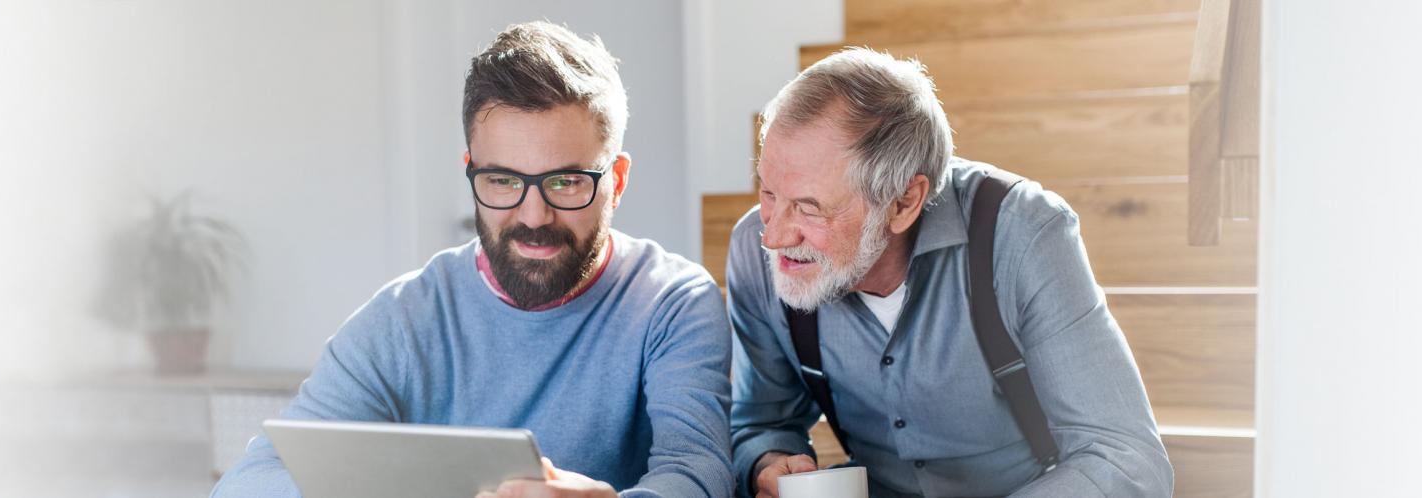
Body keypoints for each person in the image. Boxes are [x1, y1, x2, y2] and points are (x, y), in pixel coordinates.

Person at [212, 21, 734, 498]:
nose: (534, 215)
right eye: (503, 180)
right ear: (471, 172)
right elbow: (249, 483)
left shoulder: (672, 301)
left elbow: (697, 472)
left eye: (566, 181)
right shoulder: (403, 318)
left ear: (615, 181)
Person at [726, 47, 1174, 497]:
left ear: (903, 203)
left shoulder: (1023, 233)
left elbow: (1126, 458)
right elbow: (761, 422)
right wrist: (769, 464)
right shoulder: (753, 249)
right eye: (767, 193)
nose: (774, 236)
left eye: (809, 208)